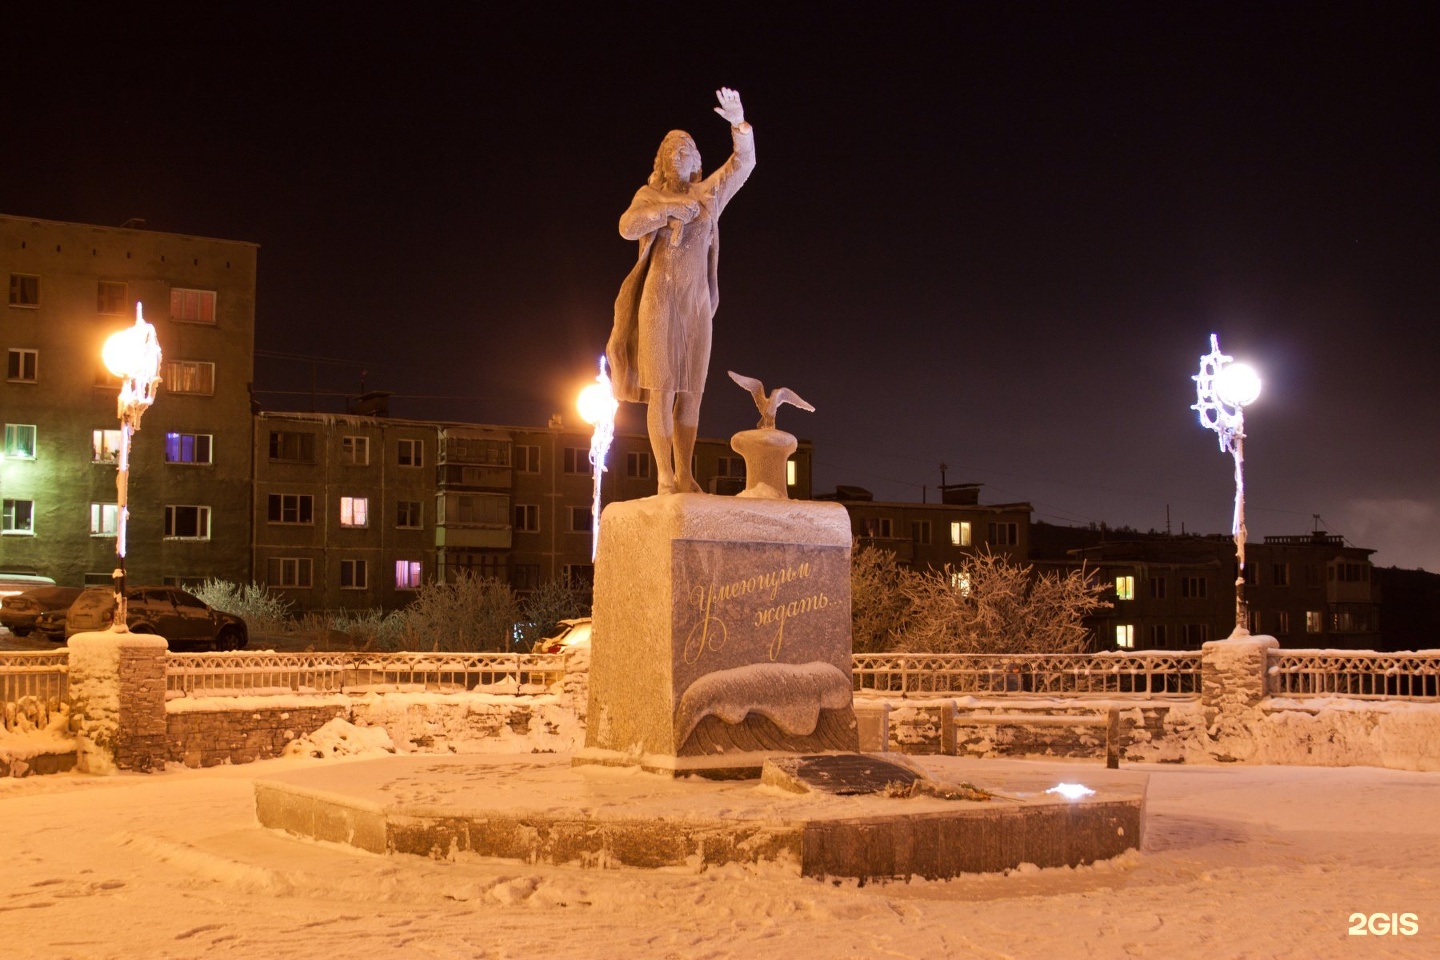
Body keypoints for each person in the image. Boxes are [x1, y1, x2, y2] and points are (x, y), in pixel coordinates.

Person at [606, 87, 754, 495]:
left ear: (696, 162)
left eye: (685, 151)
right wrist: (666, 210)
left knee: (692, 391)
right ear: (661, 163)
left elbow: (744, 164)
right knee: (663, 388)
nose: (678, 157)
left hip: (695, 304)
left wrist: (739, 124)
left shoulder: (710, 195)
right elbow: (626, 226)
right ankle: (664, 476)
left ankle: (686, 472)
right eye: (670, 153)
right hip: (657, 300)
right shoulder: (650, 195)